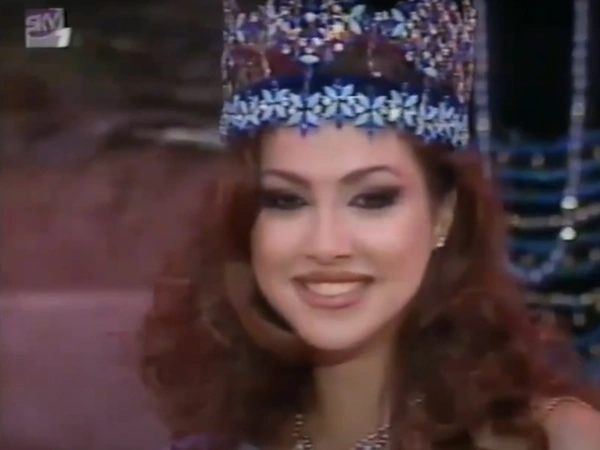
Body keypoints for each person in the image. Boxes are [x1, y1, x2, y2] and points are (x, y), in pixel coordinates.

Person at [139, 1, 600, 449]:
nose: (326, 245)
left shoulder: (556, 439)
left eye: (372, 199)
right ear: (247, 225)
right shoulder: (218, 440)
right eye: (287, 200)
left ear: (443, 217)